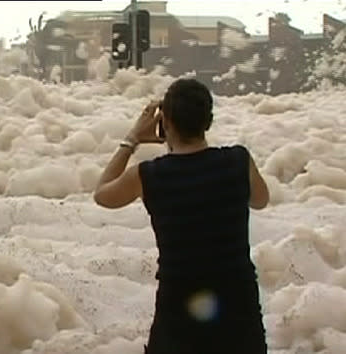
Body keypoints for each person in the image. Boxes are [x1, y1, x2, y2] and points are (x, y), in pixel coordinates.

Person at [93, 78, 270, 354]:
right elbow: (261, 200)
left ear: (166, 121)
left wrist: (132, 139)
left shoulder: (148, 175)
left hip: (178, 317)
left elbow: (102, 194)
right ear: (208, 122)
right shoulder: (238, 161)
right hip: (240, 313)